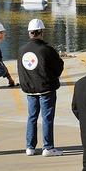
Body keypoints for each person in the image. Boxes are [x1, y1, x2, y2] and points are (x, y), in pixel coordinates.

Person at [17, 18, 65, 156]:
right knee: (47, 118)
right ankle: (48, 147)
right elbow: (58, 67)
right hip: (46, 88)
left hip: (30, 89)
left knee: (32, 117)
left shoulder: (22, 50)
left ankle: (30, 147)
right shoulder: (47, 49)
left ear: (29, 33)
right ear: (41, 32)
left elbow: (21, 70)